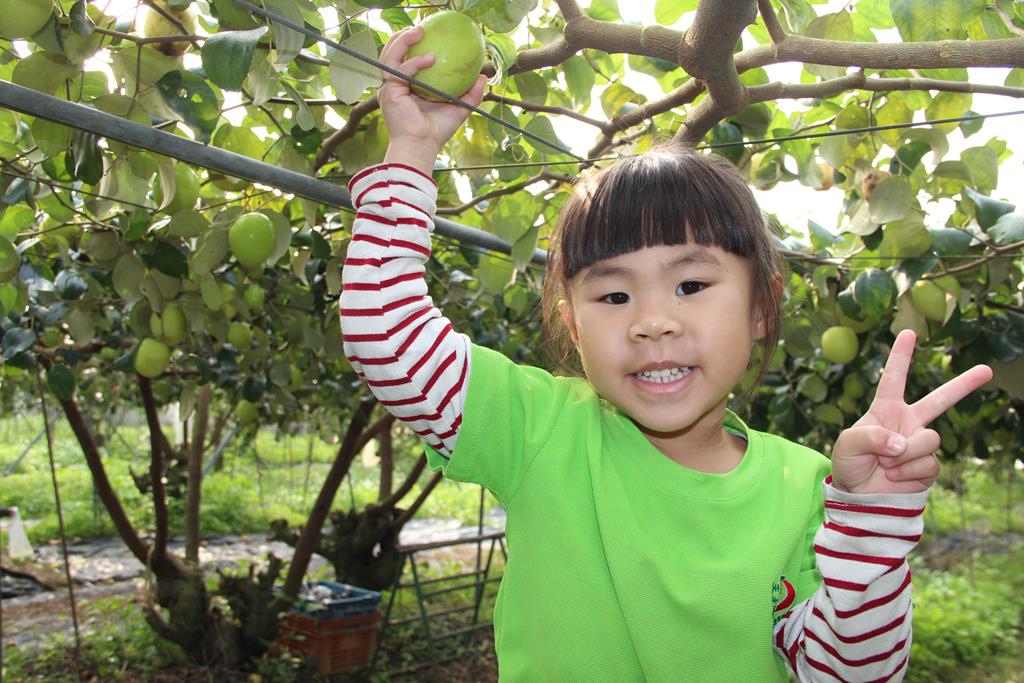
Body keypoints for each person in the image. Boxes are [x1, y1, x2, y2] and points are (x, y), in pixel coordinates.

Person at [339, 26, 994, 682]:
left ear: (761, 306)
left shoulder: (809, 491)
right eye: (613, 295)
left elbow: (847, 675)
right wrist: (412, 149)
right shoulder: (537, 430)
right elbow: (387, 336)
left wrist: (872, 523)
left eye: (690, 285)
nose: (652, 323)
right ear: (572, 325)